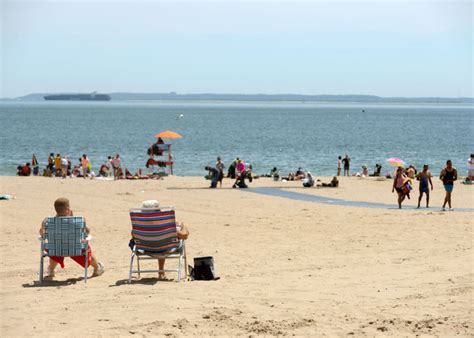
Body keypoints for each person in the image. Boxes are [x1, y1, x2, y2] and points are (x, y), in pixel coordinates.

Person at [39, 198, 104, 279]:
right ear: (68, 209)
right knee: (87, 246)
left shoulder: (47, 221)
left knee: (54, 245)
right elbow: (87, 232)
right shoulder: (77, 221)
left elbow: (42, 234)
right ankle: (97, 268)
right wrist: (72, 218)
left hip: (55, 251)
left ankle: (51, 270)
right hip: (76, 250)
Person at [129, 200, 189, 280]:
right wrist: (184, 226)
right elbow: (184, 236)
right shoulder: (167, 226)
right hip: (166, 248)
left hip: (145, 249)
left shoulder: (139, 228)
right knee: (163, 241)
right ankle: (161, 272)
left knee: (158, 241)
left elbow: (133, 235)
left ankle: (161, 272)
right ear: (158, 211)